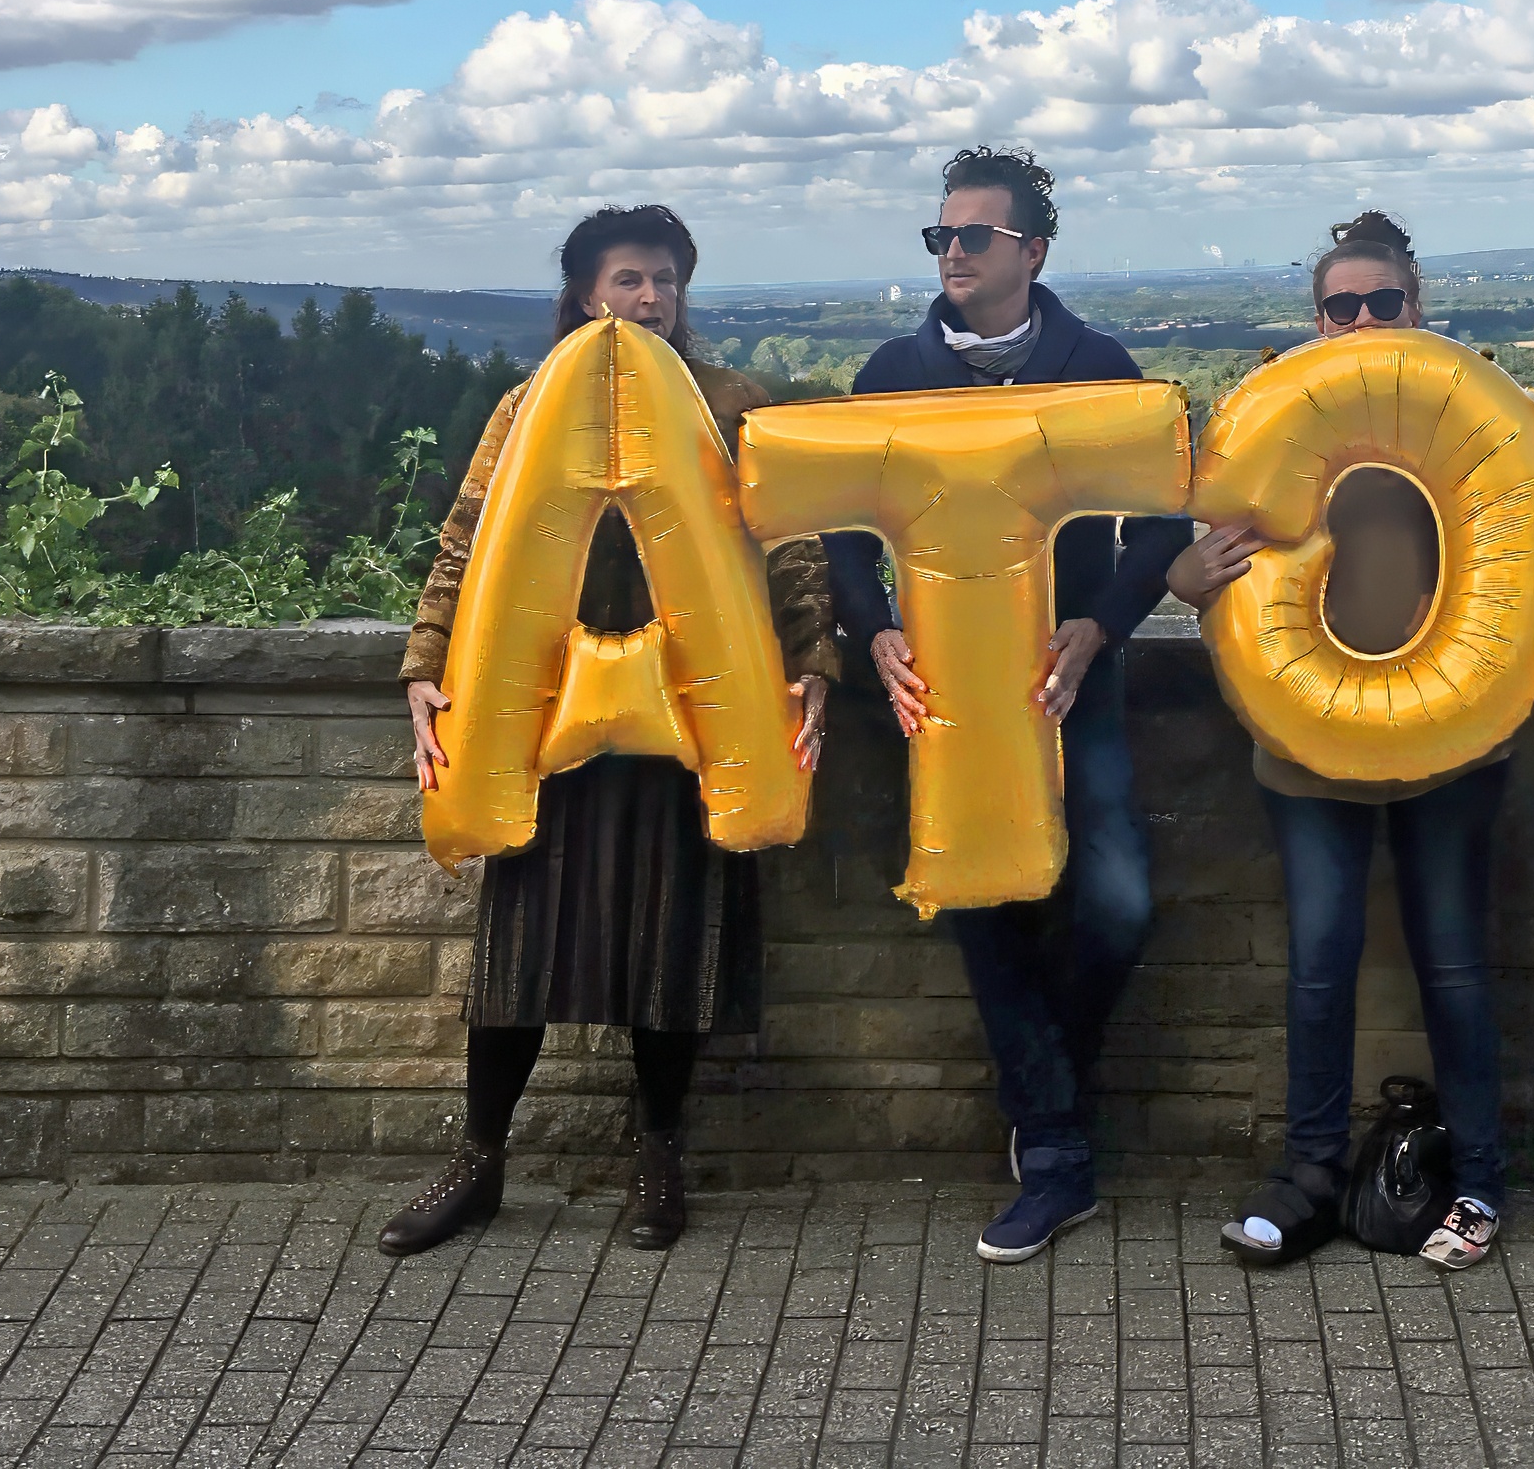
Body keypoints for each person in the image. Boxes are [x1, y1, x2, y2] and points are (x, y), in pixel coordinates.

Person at [382, 205, 835, 1260]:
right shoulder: (527, 407)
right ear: (587, 294)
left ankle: (660, 1156)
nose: (650, 299)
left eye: (666, 280)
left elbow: (791, 547)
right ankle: (479, 1163)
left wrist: (814, 664)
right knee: (518, 949)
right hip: (548, 718)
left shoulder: (730, 406)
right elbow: (465, 544)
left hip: (694, 713)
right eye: (628, 279)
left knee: (676, 945)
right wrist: (423, 668)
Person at [1168, 210, 1534, 1273]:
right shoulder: (1269, 432)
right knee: (1318, 968)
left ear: (1419, 310)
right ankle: (1308, 1177)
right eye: (1340, 306)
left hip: (1451, 752)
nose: (1362, 321)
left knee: (1453, 969)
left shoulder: (1492, 427)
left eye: (1383, 303)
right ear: (1313, 321)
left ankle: (1481, 1185)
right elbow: (1197, 577)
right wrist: (1184, 582)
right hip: (1306, 752)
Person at [822, 145, 1195, 1263]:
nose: (950, 253)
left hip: (1070, 685)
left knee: (1118, 903)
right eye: (938, 235)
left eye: (972, 236)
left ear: (1032, 250)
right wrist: (870, 629)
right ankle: (1057, 1151)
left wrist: (1101, 627)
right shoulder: (890, 379)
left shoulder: (1099, 367)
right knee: (984, 910)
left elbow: (1166, 522)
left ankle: (1042, 1105)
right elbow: (841, 530)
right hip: (941, 699)